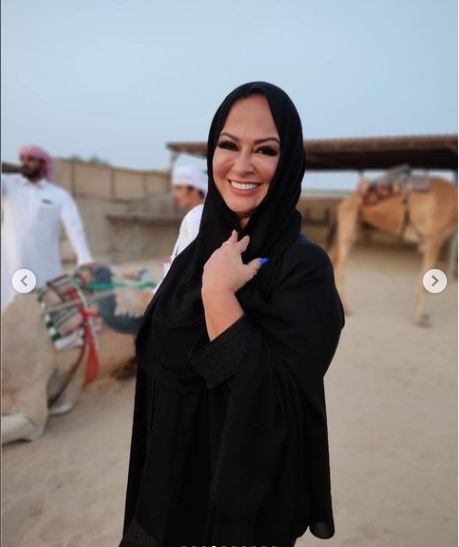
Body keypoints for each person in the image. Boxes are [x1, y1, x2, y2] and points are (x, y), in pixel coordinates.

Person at [119, 82, 345, 547]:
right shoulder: (195, 248)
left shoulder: (304, 269)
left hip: (238, 509)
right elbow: (159, 353)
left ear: (289, 161)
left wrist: (219, 294)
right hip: (163, 490)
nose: (242, 166)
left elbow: (271, 406)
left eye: (265, 150)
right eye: (228, 145)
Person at [1, 145, 93, 310]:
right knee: (9, 312)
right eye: (22, 159)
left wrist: (84, 258)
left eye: (31, 159)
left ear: (44, 164)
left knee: (46, 313)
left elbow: (74, 228)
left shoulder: (59, 196)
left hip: (44, 268)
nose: (25, 163)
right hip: (10, 264)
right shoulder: (8, 185)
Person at [156, 165, 208, 292]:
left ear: (194, 189)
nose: (175, 194)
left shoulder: (195, 217)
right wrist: (173, 260)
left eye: (179, 188)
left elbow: (191, 267)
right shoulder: (201, 214)